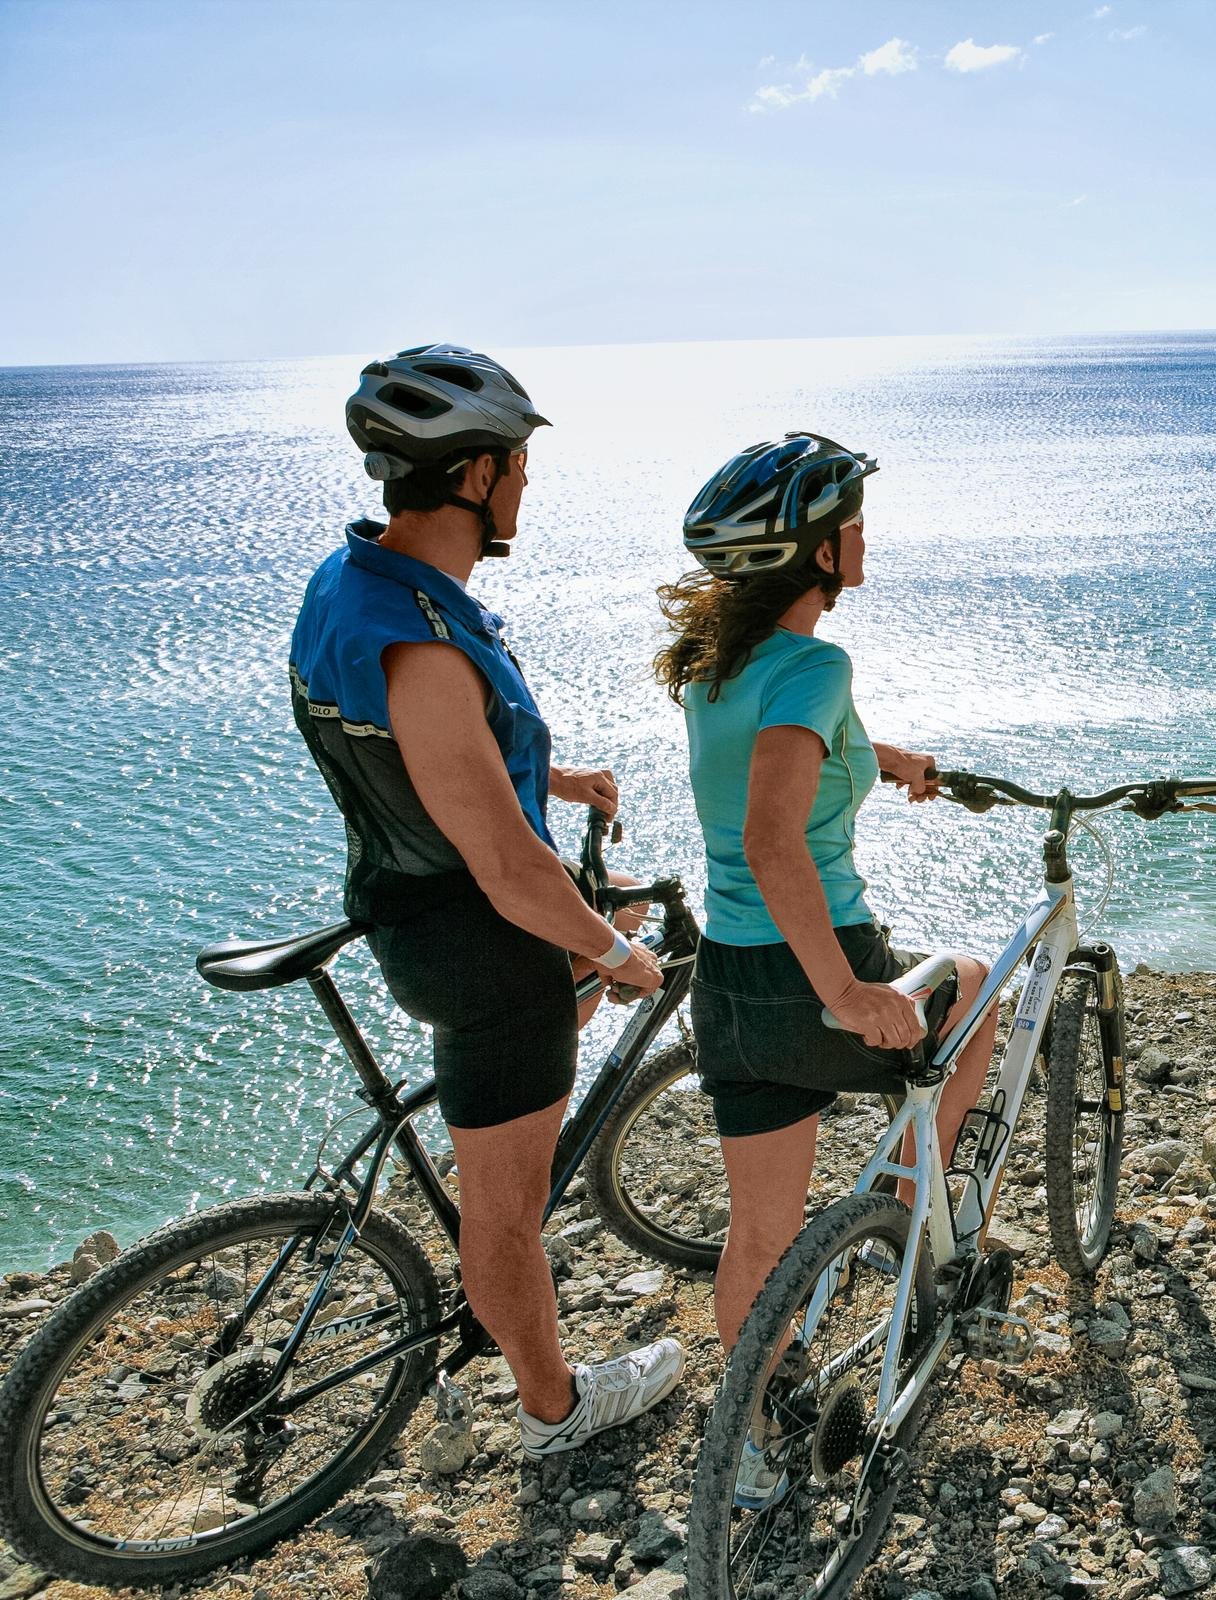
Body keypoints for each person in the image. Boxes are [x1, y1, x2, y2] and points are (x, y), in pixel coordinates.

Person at [288, 343, 684, 1455]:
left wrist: (546, 776)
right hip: (482, 940)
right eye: (517, 464)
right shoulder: (425, 642)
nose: (526, 485)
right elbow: (512, 872)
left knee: (528, 1089)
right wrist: (612, 949)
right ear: (474, 476)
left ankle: (496, 1249)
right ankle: (555, 1406)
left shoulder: (355, 586)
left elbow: (414, 756)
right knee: (503, 1214)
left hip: (404, 901)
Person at [654, 432, 1001, 1503]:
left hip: (731, 987)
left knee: (757, 1234)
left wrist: (882, 757)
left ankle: (759, 1434)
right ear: (812, 550)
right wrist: (849, 992)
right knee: (979, 983)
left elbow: (781, 751)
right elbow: (774, 837)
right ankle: (918, 1219)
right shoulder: (816, 662)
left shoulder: (724, 668)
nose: (864, 534)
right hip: (820, 966)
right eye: (849, 519)